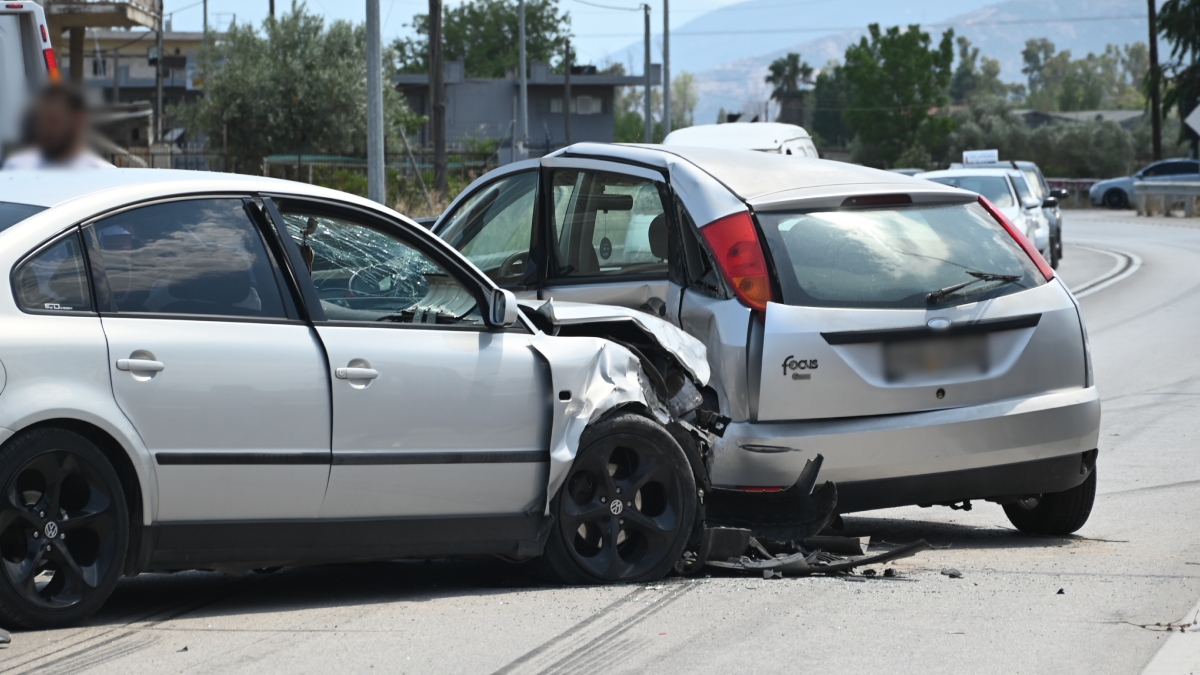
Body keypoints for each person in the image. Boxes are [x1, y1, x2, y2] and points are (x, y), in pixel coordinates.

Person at [2, 85, 113, 170]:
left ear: (78, 121)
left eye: (53, 121)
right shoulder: (16, 168)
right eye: (40, 121)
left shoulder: (102, 174)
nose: (44, 129)